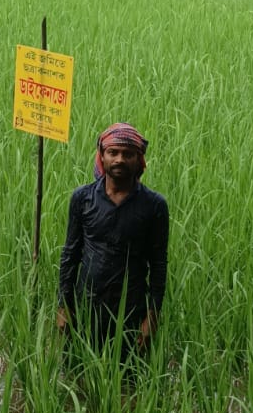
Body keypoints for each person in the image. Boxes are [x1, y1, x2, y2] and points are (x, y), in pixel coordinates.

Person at [56, 122, 169, 356]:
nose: (119, 159)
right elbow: (70, 255)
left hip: (131, 311)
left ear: (138, 160)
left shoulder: (154, 205)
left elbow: (158, 264)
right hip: (86, 307)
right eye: (113, 152)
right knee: (81, 368)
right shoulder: (83, 198)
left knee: (128, 373)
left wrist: (151, 317)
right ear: (102, 156)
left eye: (128, 154)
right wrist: (63, 306)